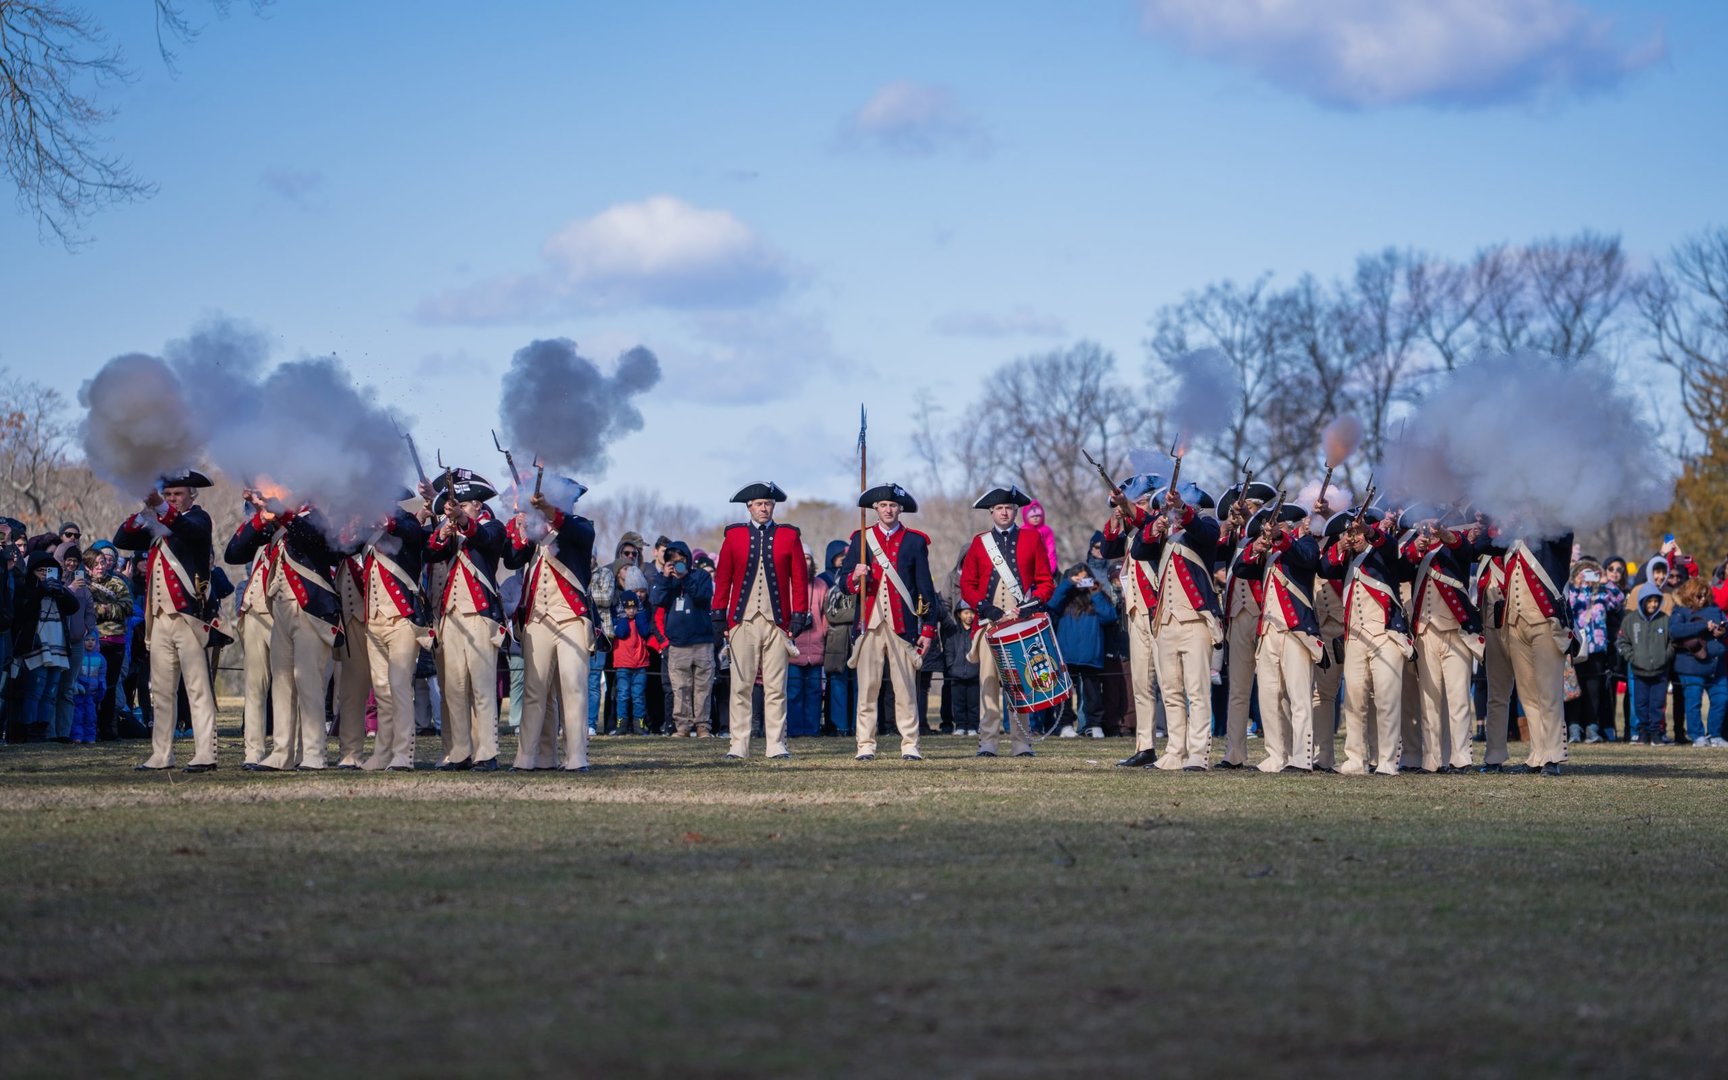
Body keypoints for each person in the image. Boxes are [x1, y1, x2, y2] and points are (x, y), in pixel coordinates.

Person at [113, 470, 221, 772]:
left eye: (177, 494)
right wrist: (145, 512)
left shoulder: (200, 519)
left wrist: (160, 507)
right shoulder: (157, 523)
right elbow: (120, 538)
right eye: (168, 494)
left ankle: (206, 753)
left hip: (188, 616)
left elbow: (188, 530)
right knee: (160, 690)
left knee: (197, 688)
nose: (172, 499)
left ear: (191, 496)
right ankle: (162, 754)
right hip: (158, 617)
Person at [228, 491, 343, 771]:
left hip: (310, 613)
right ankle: (282, 752)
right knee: (281, 685)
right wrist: (260, 517)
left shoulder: (313, 516)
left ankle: (314, 753)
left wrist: (284, 515)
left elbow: (320, 543)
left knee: (309, 684)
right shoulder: (275, 523)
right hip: (279, 611)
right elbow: (234, 553)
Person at [503, 480, 597, 771]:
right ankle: (527, 758)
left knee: (574, 688)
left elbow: (578, 535)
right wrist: (522, 527)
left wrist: (548, 513)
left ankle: (577, 756)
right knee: (534, 690)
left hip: (571, 618)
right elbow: (512, 559)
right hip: (537, 619)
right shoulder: (533, 529)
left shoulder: (579, 525)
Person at [712, 481, 810, 759]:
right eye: (758, 504)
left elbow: (799, 581)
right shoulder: (733, 537)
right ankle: (738, 745)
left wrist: (799, 615)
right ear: (749, 507)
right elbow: (723, 580)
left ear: (773, 506)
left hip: (778, 623)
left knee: (776, 687)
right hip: (742, 622)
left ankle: (776, 744)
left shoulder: (789, 536)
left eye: (767, 503)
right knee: (741, 685)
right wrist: (719, 616)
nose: (763, 508)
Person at [841, 483, 939, 761]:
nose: (888, 509)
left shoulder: (915, 541)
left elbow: (925, 590)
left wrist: (929, 628)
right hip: (868, 626)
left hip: (902, 626)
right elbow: (845, 585)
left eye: (893, 505)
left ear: (900, 509)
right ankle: (865, 744)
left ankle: (910, 744)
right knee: (868, 689)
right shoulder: (861, 540)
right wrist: (854, 576)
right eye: (883, 505)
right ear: (875, 508)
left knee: (905, 689)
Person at [1131, 479, 1222, 772]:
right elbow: (1137, 551)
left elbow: (1204, 533)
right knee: (1170, 691)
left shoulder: (1204, 528)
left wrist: (1182, 509)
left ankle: (1198, 754)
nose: (1168, 512)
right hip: (1165, 622)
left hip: (1195, 621)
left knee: (1197, 692)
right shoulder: (1164, 537)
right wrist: (1152, 529)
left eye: (1177, 507)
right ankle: (1174, 751)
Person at [959, 485, 1055, 758]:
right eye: (999, 508)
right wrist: (985, 608)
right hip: (990, 625)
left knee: (1020, 684)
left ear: (1016, 511)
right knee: (988, 683)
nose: (1004, 512)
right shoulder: (980, 543)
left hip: (1020, 624)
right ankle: (988, 743)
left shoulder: (1031, 539)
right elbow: (968, 584)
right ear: (991, 512)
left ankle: (1021, 743)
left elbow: (1046, 582)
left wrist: (1028, 606)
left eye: (1009, 508)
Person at [423, 470, 510, 771]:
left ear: (477, 506)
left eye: (465, 505)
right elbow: (430, 554)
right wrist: (442, 533)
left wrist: (461, 522)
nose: (461, 508)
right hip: (451, 618)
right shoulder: (454, 533)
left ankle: (487, 752)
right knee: (454, 689)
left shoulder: (494, 527)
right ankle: (459, 752)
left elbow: (485, 540)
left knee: (483, 689)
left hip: (481, 617)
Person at [1318, 505, 1412, 776]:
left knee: (1386, 700)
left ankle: (1387, 761)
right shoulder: (1347, 557)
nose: (1355, 537)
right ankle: (1355, 760)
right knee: (1354, 700)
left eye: (1358, 532)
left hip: (1386, 634)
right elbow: (1325, 568)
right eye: (1351, 532)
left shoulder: (1385, 550)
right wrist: (1341, 544)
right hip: (1355, 636)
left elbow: (1392, 549)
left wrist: (1370, 533)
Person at [1237, 502, 1323, 771]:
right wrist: (1256, 548)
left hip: (1296, 630)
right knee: (1269, 696)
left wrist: (1279, 538)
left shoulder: (1306, 543)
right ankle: (1276, 755)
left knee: (1299, 698)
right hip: (1268, 631)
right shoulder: (1271, 552)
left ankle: (1302, 757)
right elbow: (1241, 568)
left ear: (1290, 527)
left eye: (1279, 526)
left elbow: (1306, 559)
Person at [1484, 524, 1576, 774]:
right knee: (1528, 696)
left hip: (1545, 622)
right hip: (1514, 623)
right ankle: (1537, 754)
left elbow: (1563, 532)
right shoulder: (1510, 534)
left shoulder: (1553, 528)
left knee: (1549, 694)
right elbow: (1482, 542)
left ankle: (1553, 757)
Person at [1400, 508, 1485, 773]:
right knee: (1430, 701)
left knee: (1458, 698)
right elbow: (1402, 568)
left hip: (1456, 632)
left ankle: (1460, 757)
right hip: (1425, 632)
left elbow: (1463, 551)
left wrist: (1444, 533)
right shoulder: (1416, 549)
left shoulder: (1455, 544)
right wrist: (1417, 546)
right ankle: (1432, 759)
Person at [353, 500, 433, 772]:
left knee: (399, 689)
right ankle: (382, 753)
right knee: (382, 693)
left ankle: (403, 754)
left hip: (402, 621)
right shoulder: (366, 529)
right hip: (374, 622)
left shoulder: (405, 521)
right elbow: (341, 548)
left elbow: (412, 533)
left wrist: (386, 519)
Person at [1099, 472, 1166, 767]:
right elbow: (1108, 550)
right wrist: (1116, 517)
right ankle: (1145, 745)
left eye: (1138, 501)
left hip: (1160, 609)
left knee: (1170, 682)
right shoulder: (1131, 532)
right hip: (1136, 612)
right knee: (1141, 682)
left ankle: (1181, 746)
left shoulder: (1160, 526)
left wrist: (1130, 510)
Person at [1216, 480, 1275, 767]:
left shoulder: (1267, 535)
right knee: (1238, 690)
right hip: (1237, 617)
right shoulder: (1232, 536)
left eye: (1247, 508)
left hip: (1264, 614)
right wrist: (1230, 524)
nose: (1240, 513)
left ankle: (1280, 753)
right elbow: (1216, 548)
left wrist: (1250, 520)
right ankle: (1234, 753)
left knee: (1271, 687)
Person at [9, 551, 77, 742]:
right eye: (41, 571)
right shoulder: (25, 588)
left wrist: (61, 591)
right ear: (32, 571)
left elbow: (73, 607)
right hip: (36, 647)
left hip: (58, 647)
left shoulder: (58, 590)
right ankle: (28, 732)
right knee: (34, 691)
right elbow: (22, 613)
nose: (45, 575)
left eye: (50, 571)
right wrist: (40, 590)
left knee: (50, 692)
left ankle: (42, 732)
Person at [651, 540, 716, 738]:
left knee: (703, 688)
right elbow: (656, 600)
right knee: (680, 688)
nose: (677, 564)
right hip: (678, 644)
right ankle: (682, 727)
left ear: (688, 560)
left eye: (681, 560)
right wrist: (665, 577)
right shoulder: (666, 580)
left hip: (702, 642)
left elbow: (702, 597)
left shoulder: (701, 576)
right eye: (672, 561)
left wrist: (685, 577)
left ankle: (703, 726)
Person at [1047, 563, 1118, 739]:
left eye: (1085, 578)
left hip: (1091, 655)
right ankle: (1064, 724)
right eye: (1077, 578)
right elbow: (1051, 607)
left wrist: (1095, 591)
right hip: (1066, 654)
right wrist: (1067, 584)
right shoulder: (1064, 601)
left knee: (1092, 693)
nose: (1081, 583)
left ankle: (1094, 725)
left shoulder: (1097, 598)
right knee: (1064, 693)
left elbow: (1109, 616)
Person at [1564, 556, 1626, 744]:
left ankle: (1592, 727)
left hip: (1597, 649)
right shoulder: (1573, 593)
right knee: (1574, 689)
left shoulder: (1602, 594)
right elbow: (1566, 604)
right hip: (1577, 648)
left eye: (1591, 573)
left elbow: (1619, 599)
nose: (1588, 577)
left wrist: (1605, 582)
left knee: (1594, 691)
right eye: (1584, 573)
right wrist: (1574, 581)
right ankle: (1574, 728)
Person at [1667, 576, 1727, 748]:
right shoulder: (1681, 610)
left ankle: (1715, 734)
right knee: (1693, 702)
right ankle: (1697, 735)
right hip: (1691, 664)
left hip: (1716, 664)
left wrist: (1722, 631)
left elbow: (1725, 623)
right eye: (1698, 596)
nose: (1702, 599)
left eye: (1704, 595)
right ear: (1689, 595)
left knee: (1722, 698)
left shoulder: (1714, 608)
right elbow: (1675, 631)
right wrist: (1703, 627)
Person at [83, 542, 132, 741]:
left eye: (103, 562)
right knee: (90, 686)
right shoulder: (83, 584)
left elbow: (127, 607)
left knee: (110, 686)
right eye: (96, 564)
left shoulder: (118, 583)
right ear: (87, 567)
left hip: (116, 642)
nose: (101, 566)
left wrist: (102, 609)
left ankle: (108, 729)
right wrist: (106, 609)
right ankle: (89, 728)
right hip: (93, 642)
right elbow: (86, 608)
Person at [1618, 583, 1674, 746]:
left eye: (1656, 601)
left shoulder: (1665, 620)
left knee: (1657, 704)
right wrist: (1633, 658)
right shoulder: (1630, 620)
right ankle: (1643, 733)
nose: (1653, 605)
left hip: (1660, 672)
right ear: (1643, 601)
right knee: (1640, 704)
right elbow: (1622, 642)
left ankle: (1656, 733)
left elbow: (1673, 642)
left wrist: (1665, 657)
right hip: (1639, 671)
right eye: (1649, 601)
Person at [787, 545, 827, 739]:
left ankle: (812, 730)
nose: (805, 562)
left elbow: (826, 616)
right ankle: (794, 730)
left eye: (808, 558)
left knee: (814, 692)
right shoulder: (787, 585)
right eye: (801, 557)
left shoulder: (820, 586)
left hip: (816, 649)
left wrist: (824, 635)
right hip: (793, 648)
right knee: (793, 691)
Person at [610, 593, 658, 735]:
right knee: (623, 695)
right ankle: (621, 725)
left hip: (640, 663)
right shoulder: (619, 620)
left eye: (634, 607)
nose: (631, 611)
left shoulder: (640, 619)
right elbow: (622, 633)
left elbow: (645, 631)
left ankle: (639, 725)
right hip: (623, 664)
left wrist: (640, 615)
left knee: (638, 696)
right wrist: (623, 617)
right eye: (627, 608)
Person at [942, 602, 982, 736]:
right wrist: (951, 666)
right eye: (966, 613)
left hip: (974, 673)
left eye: (971, 613)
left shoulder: (977, 632)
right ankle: (960, 726)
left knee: (973, 703)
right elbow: (948, 650)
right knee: (958, 703)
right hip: (956, 674)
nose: (969, 616)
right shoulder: (953, 632)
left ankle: (972, 727)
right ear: (959, 614)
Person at [72, 633, 105, 744]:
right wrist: (76, 685)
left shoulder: (100, 658)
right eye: (87, 640)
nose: (90, 642)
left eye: (93, 640)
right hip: (79, 692)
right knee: (78, 715)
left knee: (91, 716)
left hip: (92, 693)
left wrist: (102, 689)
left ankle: (90, 737)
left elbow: (102, 676)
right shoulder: (79, 656)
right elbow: (74, 673)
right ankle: (77, 736)